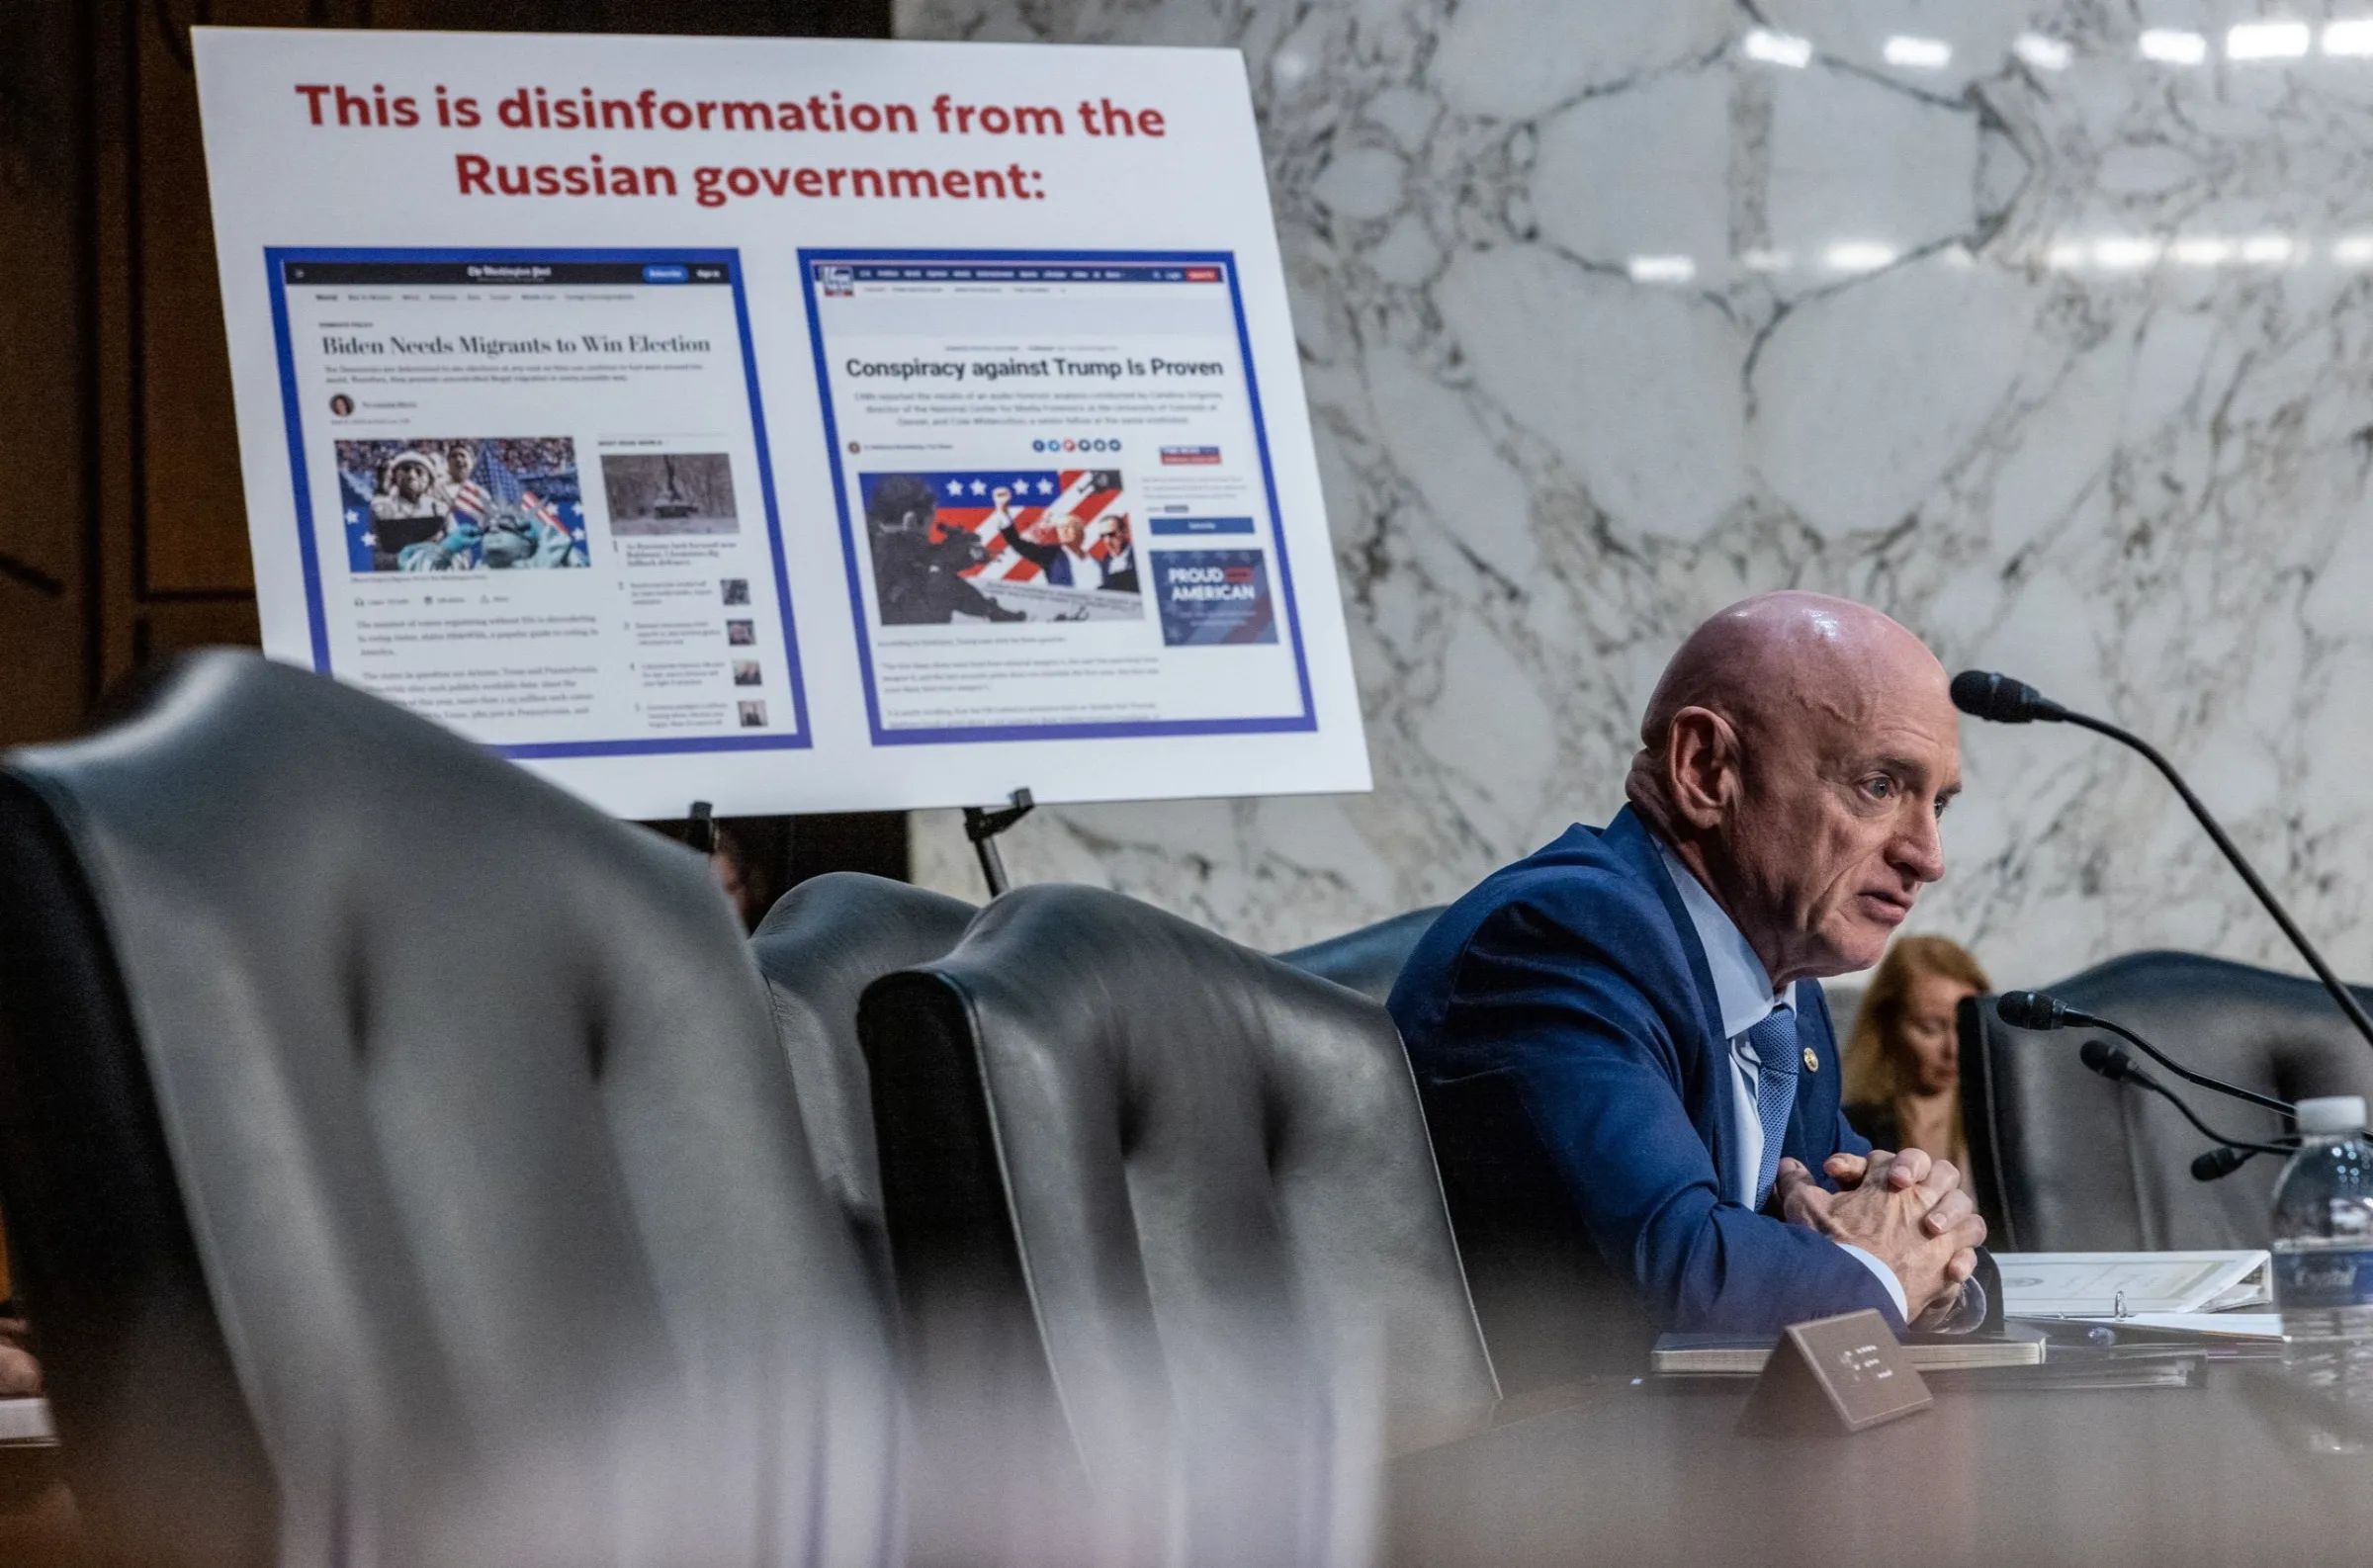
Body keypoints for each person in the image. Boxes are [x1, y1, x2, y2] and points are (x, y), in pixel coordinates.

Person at [1391, 591, 1989, 1355]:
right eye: (1879, 787)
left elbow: (1863, 1232)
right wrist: (1886, 1271)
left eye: (1939, 804)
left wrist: (1936, 1245)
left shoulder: (1784, 995)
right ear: (1707, 769)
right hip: (1540, 1459)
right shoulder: (1558, 941)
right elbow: (1688, 1279)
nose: (1928, 856)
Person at [1841, 935, 1990, 1168]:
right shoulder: (1852, 1134)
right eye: (1930, 1029)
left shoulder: (2004, 1124)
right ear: (1888, 1025)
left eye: (1966, 1028)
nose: (1953, 1049)